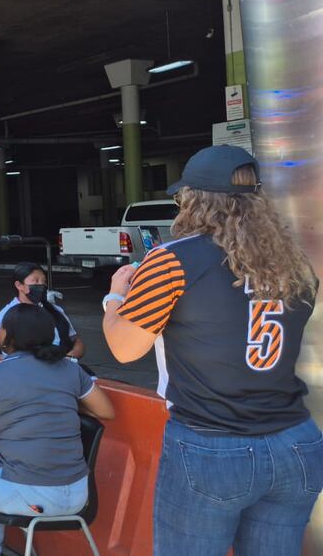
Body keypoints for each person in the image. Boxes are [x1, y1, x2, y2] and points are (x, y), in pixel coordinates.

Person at [102, 145, 323, 555]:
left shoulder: (170, 261)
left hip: (211, 447)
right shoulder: (295, 263)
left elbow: (124, 349)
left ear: (192, 200)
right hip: (295, 443)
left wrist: (115, 297)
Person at [0, 304, 115, 556]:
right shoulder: (70, 369)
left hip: (27, 496)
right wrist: (61, 401)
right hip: (79, 496)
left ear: (8, 335)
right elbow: (106, 411)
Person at [0, 262, 85, 359]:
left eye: (44, 281)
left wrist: (68, 358)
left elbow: (75, 340)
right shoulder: (7, 315)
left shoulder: (55, 310)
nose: (41, 285)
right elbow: (8, 350)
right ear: (19, 285)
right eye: (36, 281)